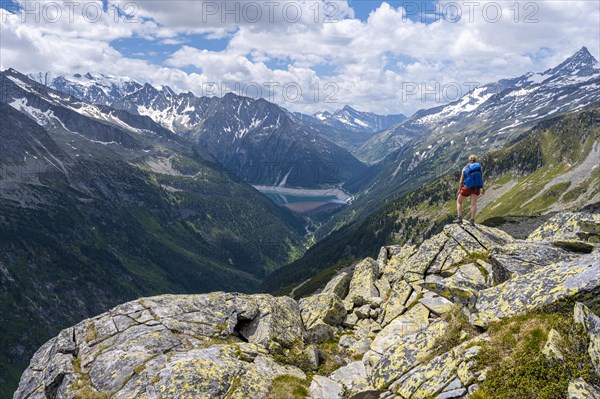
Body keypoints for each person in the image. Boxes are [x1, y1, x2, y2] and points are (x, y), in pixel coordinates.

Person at [454, 154, 485, 225]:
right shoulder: (478, 168)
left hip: (467, 187)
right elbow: (480, 178)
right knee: (473, 204)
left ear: (469, 160)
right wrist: (483, 188)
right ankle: (472, 221)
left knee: (459, 201)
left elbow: (461, 180)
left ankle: (459, 217)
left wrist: (460, 189)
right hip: (477, 188)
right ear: (475, 160)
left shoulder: (465, 168)